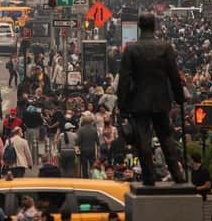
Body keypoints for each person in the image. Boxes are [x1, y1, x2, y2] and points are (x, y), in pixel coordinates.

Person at [116, 12, 186, 185]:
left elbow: (124, 79)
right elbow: (174, 76)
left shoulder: (131, 49)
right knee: (166, 137)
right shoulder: (165, 47)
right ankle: (177, 174)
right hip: (161, 99)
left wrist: (122, 105)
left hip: (139, 101)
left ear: (139, 27)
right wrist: (179, 97)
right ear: (155, 26)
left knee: (143, 139)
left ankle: (149, 177)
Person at [75, 113, 99, 178]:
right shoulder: (94, 130)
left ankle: (86, 179)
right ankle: (93, 177)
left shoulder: (80, 130)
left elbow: (77, 142)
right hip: (92, 150)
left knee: (84, 167)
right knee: (92, 166)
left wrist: (77, 151)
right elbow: (97, 142)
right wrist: (98, 153)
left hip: (83, 150)